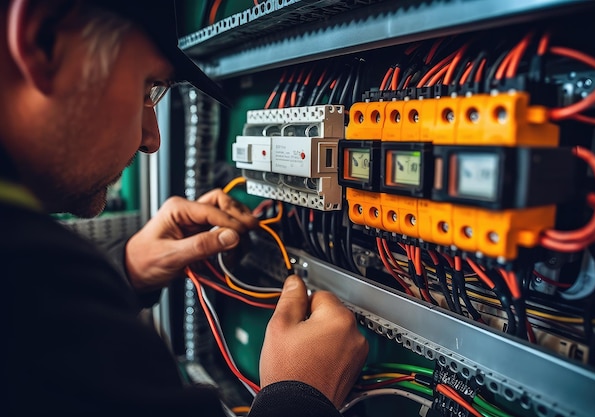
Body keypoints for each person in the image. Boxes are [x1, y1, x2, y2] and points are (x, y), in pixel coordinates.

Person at [1, 0, 368, 415]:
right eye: (147, 88)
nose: (152, 139)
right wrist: (300, 398)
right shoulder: (23, 277)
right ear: (43, 39)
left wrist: (127, 270)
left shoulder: (25, 274)